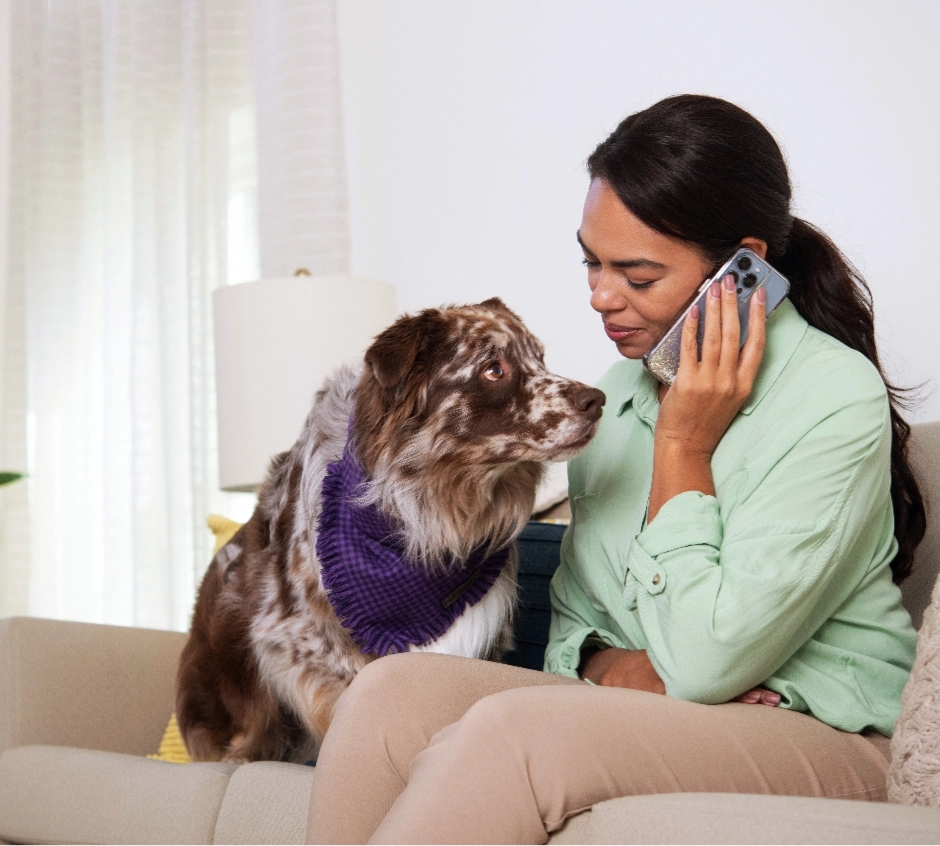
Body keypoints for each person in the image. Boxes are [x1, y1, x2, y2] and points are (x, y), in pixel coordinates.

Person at [305, 94, 926, 845]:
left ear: (744, 268)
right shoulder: (624, 392)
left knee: (513, 735)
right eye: (592, 262)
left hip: (831, 733)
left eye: (636, 274)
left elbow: (703, 663)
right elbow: (579, 628)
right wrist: (612, 662)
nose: (601, 296)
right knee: (388, 695)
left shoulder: (831, 395)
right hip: (674, 711)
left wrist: (683, 449)